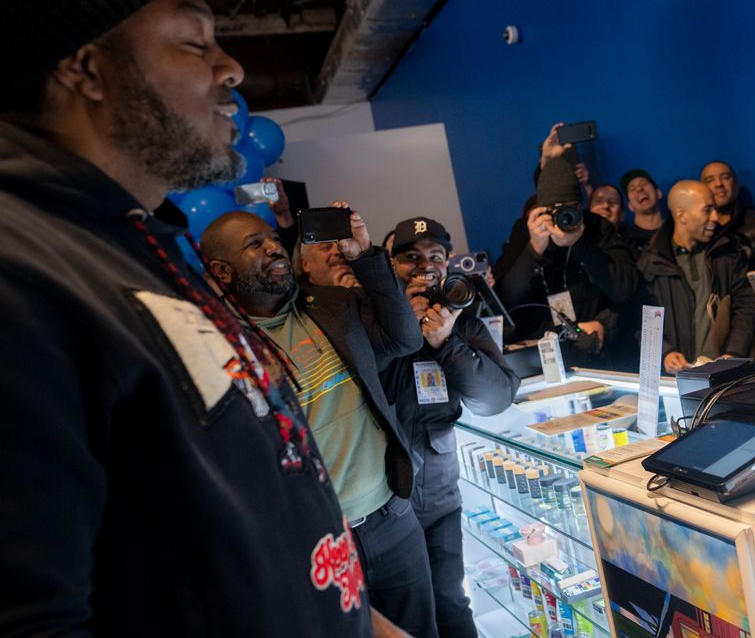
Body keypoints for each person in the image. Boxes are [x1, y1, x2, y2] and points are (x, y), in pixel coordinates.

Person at [0, 0, 404, 635]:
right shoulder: (25, 273)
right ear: (86, 68)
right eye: (195, 41)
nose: (232, 70)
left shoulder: (131, 244)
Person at [201, 206, 436, 636]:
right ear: (222, 271)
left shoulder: (330, 306)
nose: (274, 247)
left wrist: (366, 256)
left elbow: (404, 338)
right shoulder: (219, 349)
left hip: (393, 521)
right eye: (255, 245)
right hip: (318, 545)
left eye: (272, 238)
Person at [380, 216, 520, 638]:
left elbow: (496, 399)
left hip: (440, 498)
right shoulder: (373, 322)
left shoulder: (466, 323)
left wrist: (446, 342)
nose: (425, 266)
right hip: (384, 502)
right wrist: (402, 325)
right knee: (402, 614)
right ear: (391, 266)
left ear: (448, 263)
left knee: (452, 605)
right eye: (410, 258)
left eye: (435, 257)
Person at [494, 124, 639, 370]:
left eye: (569, 208)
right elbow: (505, 300)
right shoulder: (526, 230)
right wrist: (533, 250)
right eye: (554, 209)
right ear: (540, 209)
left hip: (600, 355)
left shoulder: (597, 227)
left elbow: (625, 289)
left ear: (580, 205)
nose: (563, 217)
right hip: (543, 357)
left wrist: (580, 244)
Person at [637, 180, 755, 374]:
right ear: (681, 215)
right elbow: (643, 318)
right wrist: (666, 353)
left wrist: (734, 353)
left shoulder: (728, 252)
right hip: (677, 379)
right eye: (707, 210)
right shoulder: (651, 262)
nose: (715, 217)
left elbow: (747, 305)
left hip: (724, 376)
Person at [700, 159, 755, 269]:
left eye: (725, 177)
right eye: (710, 180)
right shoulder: (697, 230)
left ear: (736, 184)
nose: (718, 184)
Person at [619, 168, 665, 253]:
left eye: (643, 184)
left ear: (658, 193)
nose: (639, 189)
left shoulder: (677, 230)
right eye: (632, 189)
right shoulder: (624, 244)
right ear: (630, 206)